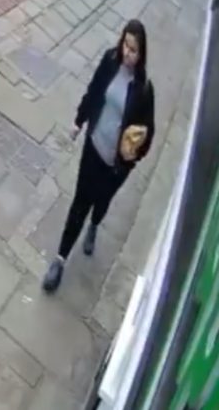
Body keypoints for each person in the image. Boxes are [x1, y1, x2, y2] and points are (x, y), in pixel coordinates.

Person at [42, 20, 154, 293]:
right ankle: (60, 259)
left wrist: (131, 157)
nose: (128, 53)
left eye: (134, 50)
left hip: (115, 165)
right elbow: (94, 91)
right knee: (80, 201)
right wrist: (79, 121)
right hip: (94, 147)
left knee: (100, 202)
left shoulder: (144, 91)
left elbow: (147, 135)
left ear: (142, 54)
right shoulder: (110, 61)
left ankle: (94, 225)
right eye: (126, 45)